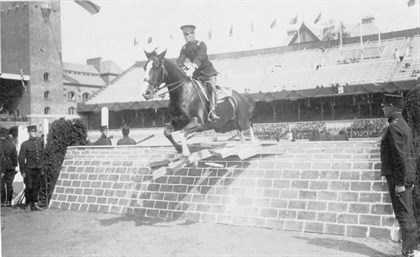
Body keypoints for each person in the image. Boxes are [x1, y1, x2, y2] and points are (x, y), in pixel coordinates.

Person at [380, 94, 418, 257]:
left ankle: (409, 251)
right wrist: (410, 177)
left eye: (384, 105)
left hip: (398, 177)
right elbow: (410, 153)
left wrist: (401, 182)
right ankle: (412, 249)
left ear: (391, 107)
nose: (382, 108)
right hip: (406, 174)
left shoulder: (394, 127)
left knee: (403, 214)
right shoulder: (403, 124)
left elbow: (400, 156)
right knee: (407, 213)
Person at [176, 24, 220, 121]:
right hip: (196, 75)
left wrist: (192, 68)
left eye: (187, 34)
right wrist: (181, 68)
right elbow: (180, 61)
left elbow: (200, 57)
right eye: (184, 35)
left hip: (208, 72)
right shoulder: (184, 48)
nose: (186, 37)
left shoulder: (201, 45)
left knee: (212, 88)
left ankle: (212, 111)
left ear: (193, 34)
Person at [18, 125, 44, 211]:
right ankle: (28, 204)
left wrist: (42, 168)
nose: (34, 133)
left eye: (35, 131)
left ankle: (35, 203)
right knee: (29, 186)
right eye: (32, 132)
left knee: (36, 186)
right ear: (29, 133)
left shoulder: (39, 142)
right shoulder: (25, 144)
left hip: (38, 168)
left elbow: (42, 156)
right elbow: (21, 159)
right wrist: (22, 171)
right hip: (28, 169)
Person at [1, 130, 18, 207]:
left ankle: (2, 201)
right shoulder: (12, 144)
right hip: (11, 167)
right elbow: (15, 157)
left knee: (1, 184)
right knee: (9, 184)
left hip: (1, 167)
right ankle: (9, 201)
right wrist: (14, 166)